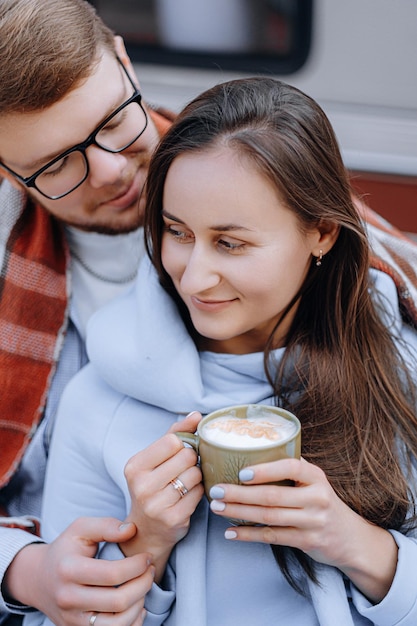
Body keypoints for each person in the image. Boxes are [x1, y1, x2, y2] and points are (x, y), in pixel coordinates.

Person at [36, 76, 417, 626]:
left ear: (323, 233)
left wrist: (355, 544)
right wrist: (146, 540)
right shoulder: (96, 400)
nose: (194, 277)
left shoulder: (396, 371)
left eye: (230, 243)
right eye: (177, 232)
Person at [0, 1, 175, 624]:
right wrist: (23, 569)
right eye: (56, 165)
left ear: (125, 62)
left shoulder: (273, 188)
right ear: (8, 176)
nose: (108, 170)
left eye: (114, 120)